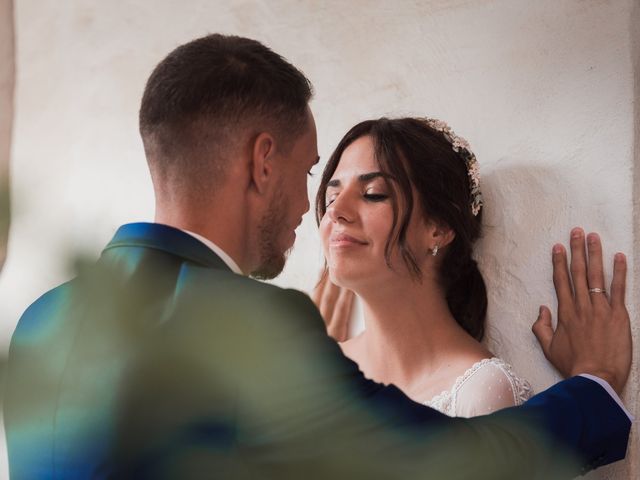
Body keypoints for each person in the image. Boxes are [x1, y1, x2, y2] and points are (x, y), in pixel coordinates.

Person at [3, 34, 632, 480]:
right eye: (312, 174)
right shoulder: (255, 323)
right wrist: (593, 387)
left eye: (370, 191)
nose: (317, 211)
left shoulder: (37, 322)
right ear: (262, 161)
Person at [313, 117, 532, 417]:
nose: (336, 211)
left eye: (373, 193)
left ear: (439, 227)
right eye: (332, 196)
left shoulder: (480, 394)